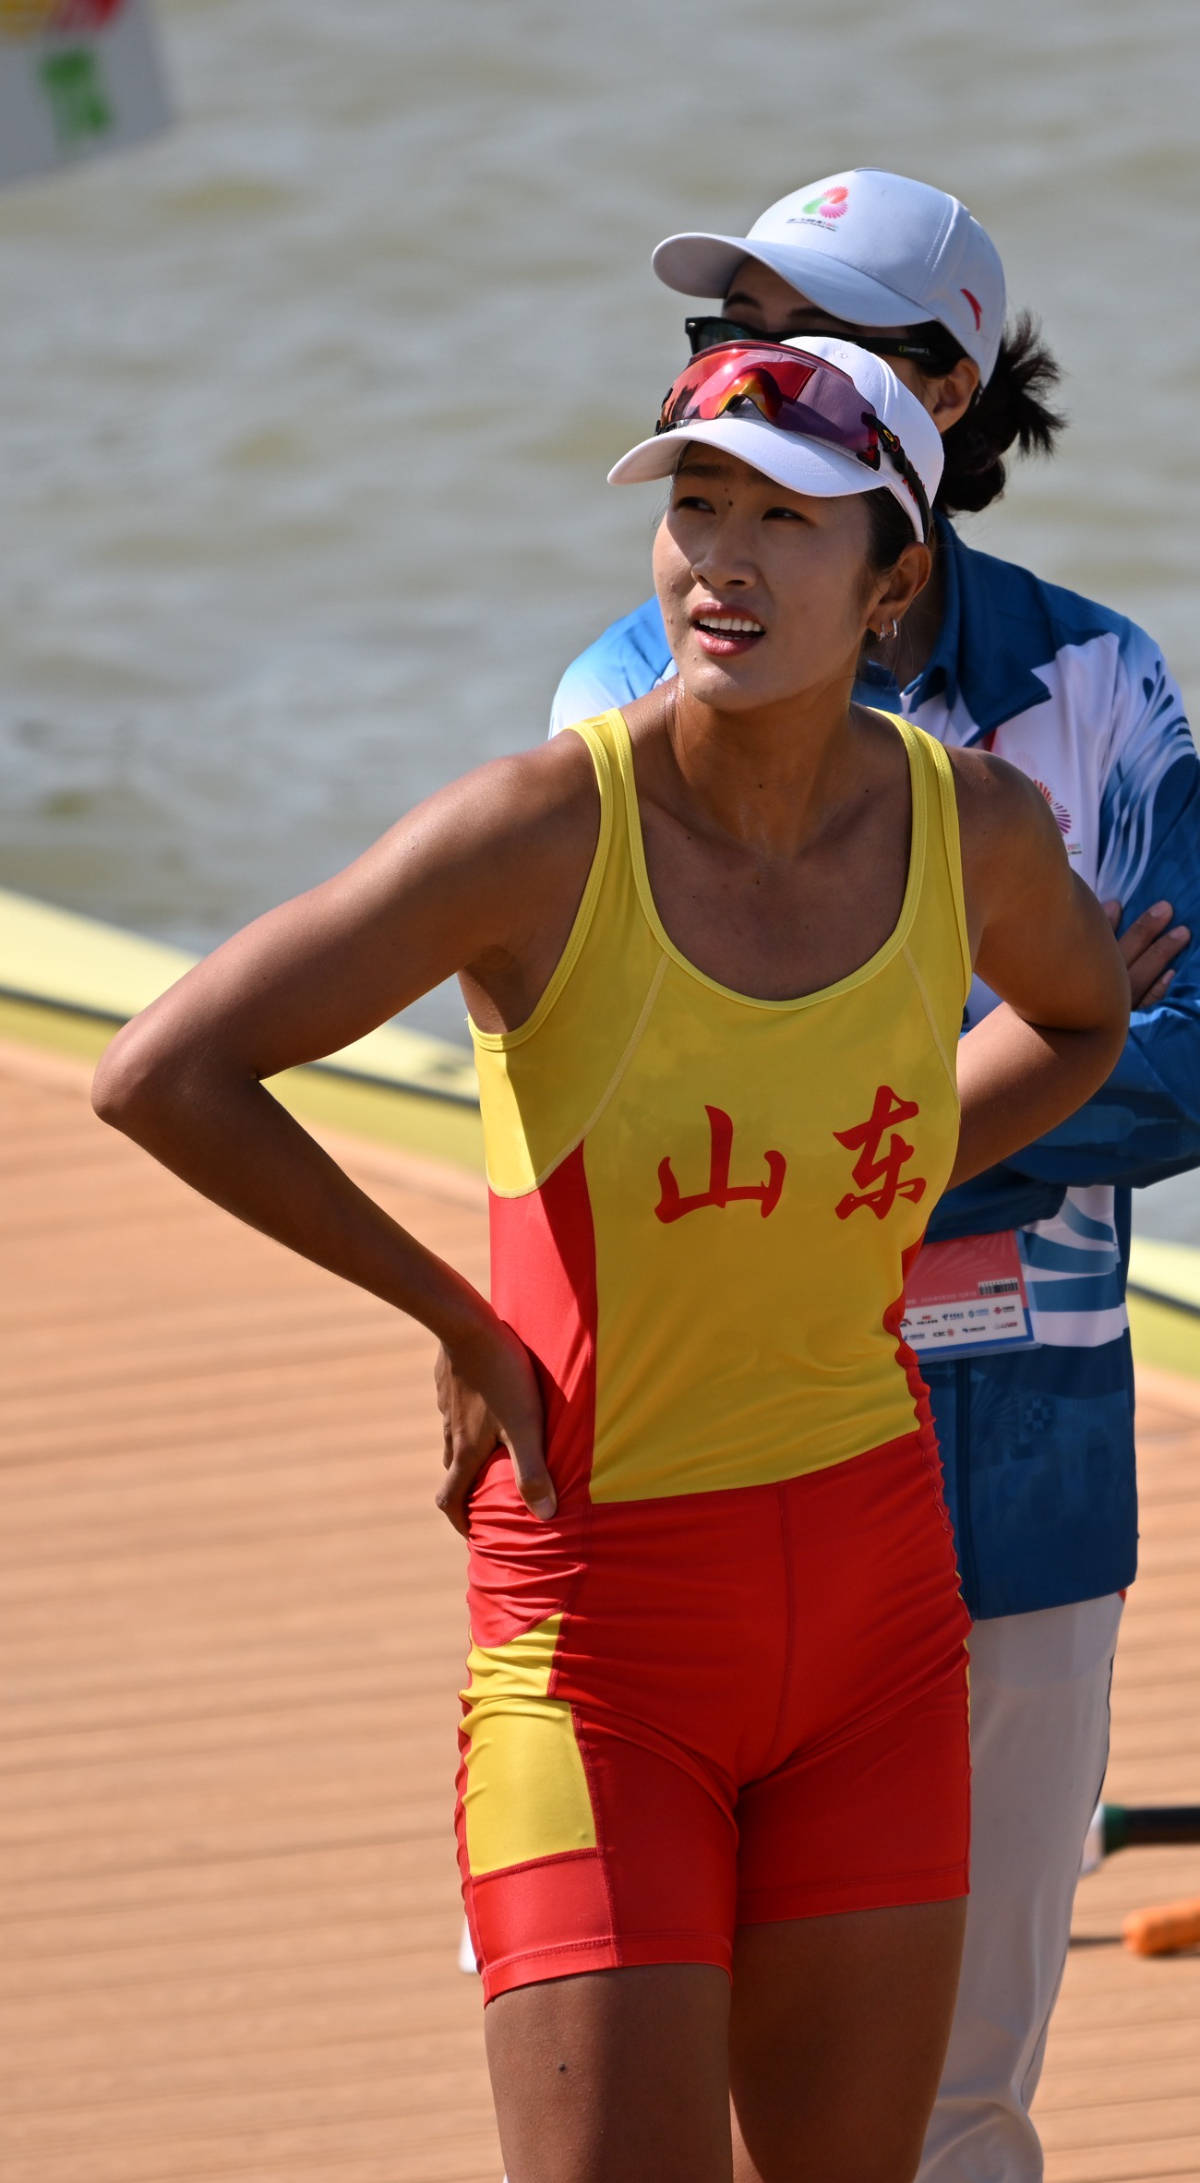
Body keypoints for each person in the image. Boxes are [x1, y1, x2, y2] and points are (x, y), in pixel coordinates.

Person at [93, 336, 1130, 2183]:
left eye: (783, 524)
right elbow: (165, 1071)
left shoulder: (972, 828)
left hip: (883, 1616)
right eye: (691, 506)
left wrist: (875, 1192)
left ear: (895, 576)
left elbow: (1077, 1020)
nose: (717, 560)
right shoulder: (538, 835)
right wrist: (453, 1308)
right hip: (602, 1640)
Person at [470, 168, 1198, 2182]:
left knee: (959, 2106)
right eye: (720, 338)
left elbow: (1182, 1064)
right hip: (718, 1457)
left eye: (815, 336)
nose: (741, 376)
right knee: (708, 2093)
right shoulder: (630, 695)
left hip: (1033, 1445)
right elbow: (622, 1111)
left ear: (946, 398)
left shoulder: (1102, 687)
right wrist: (1018, 1054)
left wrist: (817, 1144)